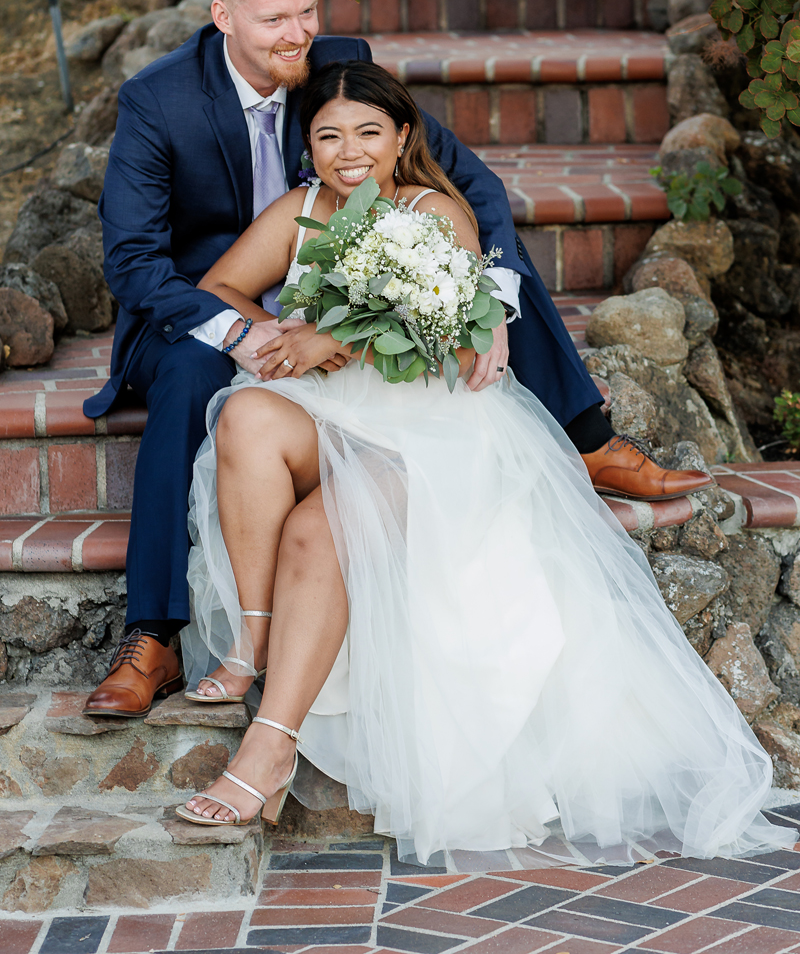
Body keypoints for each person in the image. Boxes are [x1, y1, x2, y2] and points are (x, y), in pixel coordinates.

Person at [82, 0, 710, 720]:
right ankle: (155, 634)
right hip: (214, 306)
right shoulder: (158, 99)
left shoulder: (336, 67)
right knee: (188, 377)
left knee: (498, 278)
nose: (298, 34)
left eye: (306, 11)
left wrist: (487, 305)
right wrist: (246, 331)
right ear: (223, 17)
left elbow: (467, 189)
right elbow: (136, 264)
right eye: (275, 19)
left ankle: (586, 440)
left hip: (356, 296)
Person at [176, 60, 791, 867]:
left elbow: (453, 316)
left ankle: (271, 743)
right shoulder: (301, 213)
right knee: (248, 412)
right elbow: (218, 287)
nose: (347, 151)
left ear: (401, 139)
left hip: (429, 434)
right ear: (308, 147)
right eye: (328, 135)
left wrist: (336, 335)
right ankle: (251, 643)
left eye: (367, 132)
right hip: (331, 416)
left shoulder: (434, 211)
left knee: (319, 533)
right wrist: (270, 333)